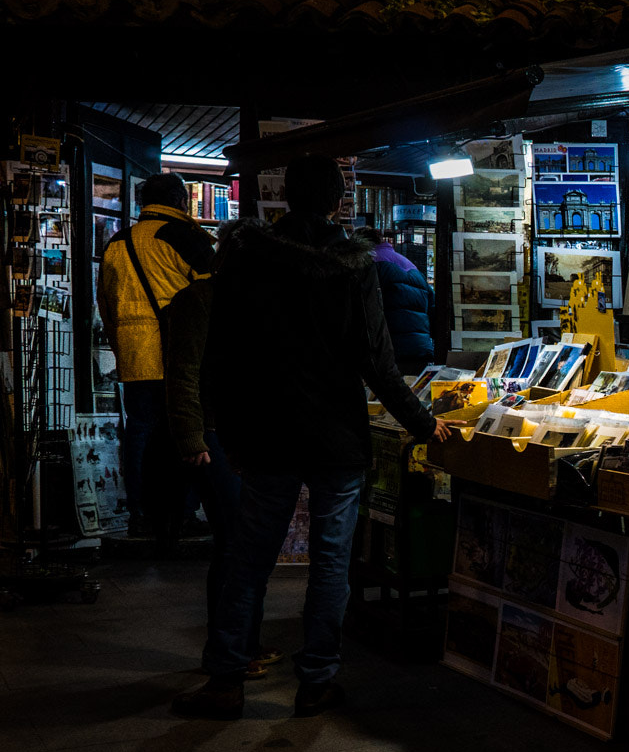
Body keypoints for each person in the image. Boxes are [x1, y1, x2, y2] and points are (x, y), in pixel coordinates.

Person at [171, 156, 449, 721]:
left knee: (249, 560)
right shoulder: (352, 265)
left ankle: (226, 679)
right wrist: (423, 423)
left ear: (284, 199)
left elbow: (222, 356)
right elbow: (378, 361)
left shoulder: (247, 260)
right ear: (335, 202)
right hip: (336, 438)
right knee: (330, 560)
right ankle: (316, 681)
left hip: (267, 433)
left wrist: (229, 431)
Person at [163, 225, 274, 678]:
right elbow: (182, 375)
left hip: (249, 437)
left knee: (249, 544)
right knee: (233, 543)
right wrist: (192, 438)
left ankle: (244, 643)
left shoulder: (256, 300)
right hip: (213, 437)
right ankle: (227, 651)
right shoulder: (198, 301)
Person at [98, 172, 215, 541]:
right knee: (188, 431)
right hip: (184, 355)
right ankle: (183, 513)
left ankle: (140, 514)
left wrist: (122, 348)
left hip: (135, 355)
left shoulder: (118, 242)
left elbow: (106, 304)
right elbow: (212, 299)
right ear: (181, 200)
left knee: (140, 434)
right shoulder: (190, 239)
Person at [355, 226, 434, 375]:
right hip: (419, 350)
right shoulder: (412, 267)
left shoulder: (370, 264)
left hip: (389, 350)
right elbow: (432, 307)